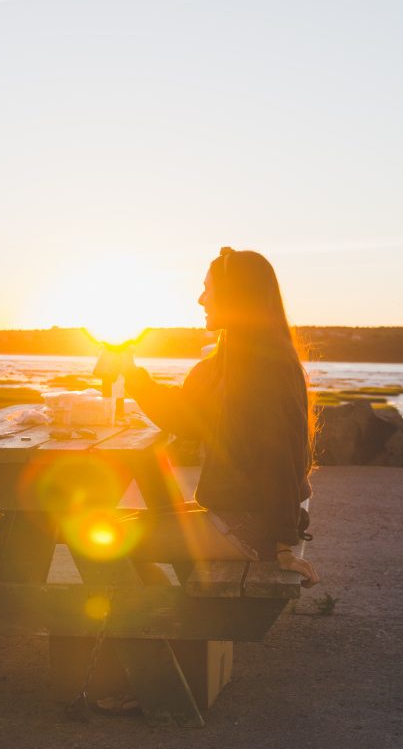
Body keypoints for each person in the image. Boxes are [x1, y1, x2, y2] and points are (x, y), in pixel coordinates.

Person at [103, 246, 319, 591]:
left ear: (235, 297)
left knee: (103, 542)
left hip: (250, 526)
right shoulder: (227, 358)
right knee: (109, 526)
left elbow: (281, 460)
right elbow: (185, 418)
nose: (201, 299)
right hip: (234, 512)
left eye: (208, 290)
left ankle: (158, 629)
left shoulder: (265, 367)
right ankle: (168, 623)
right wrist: (132, 376)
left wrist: (283, 545)